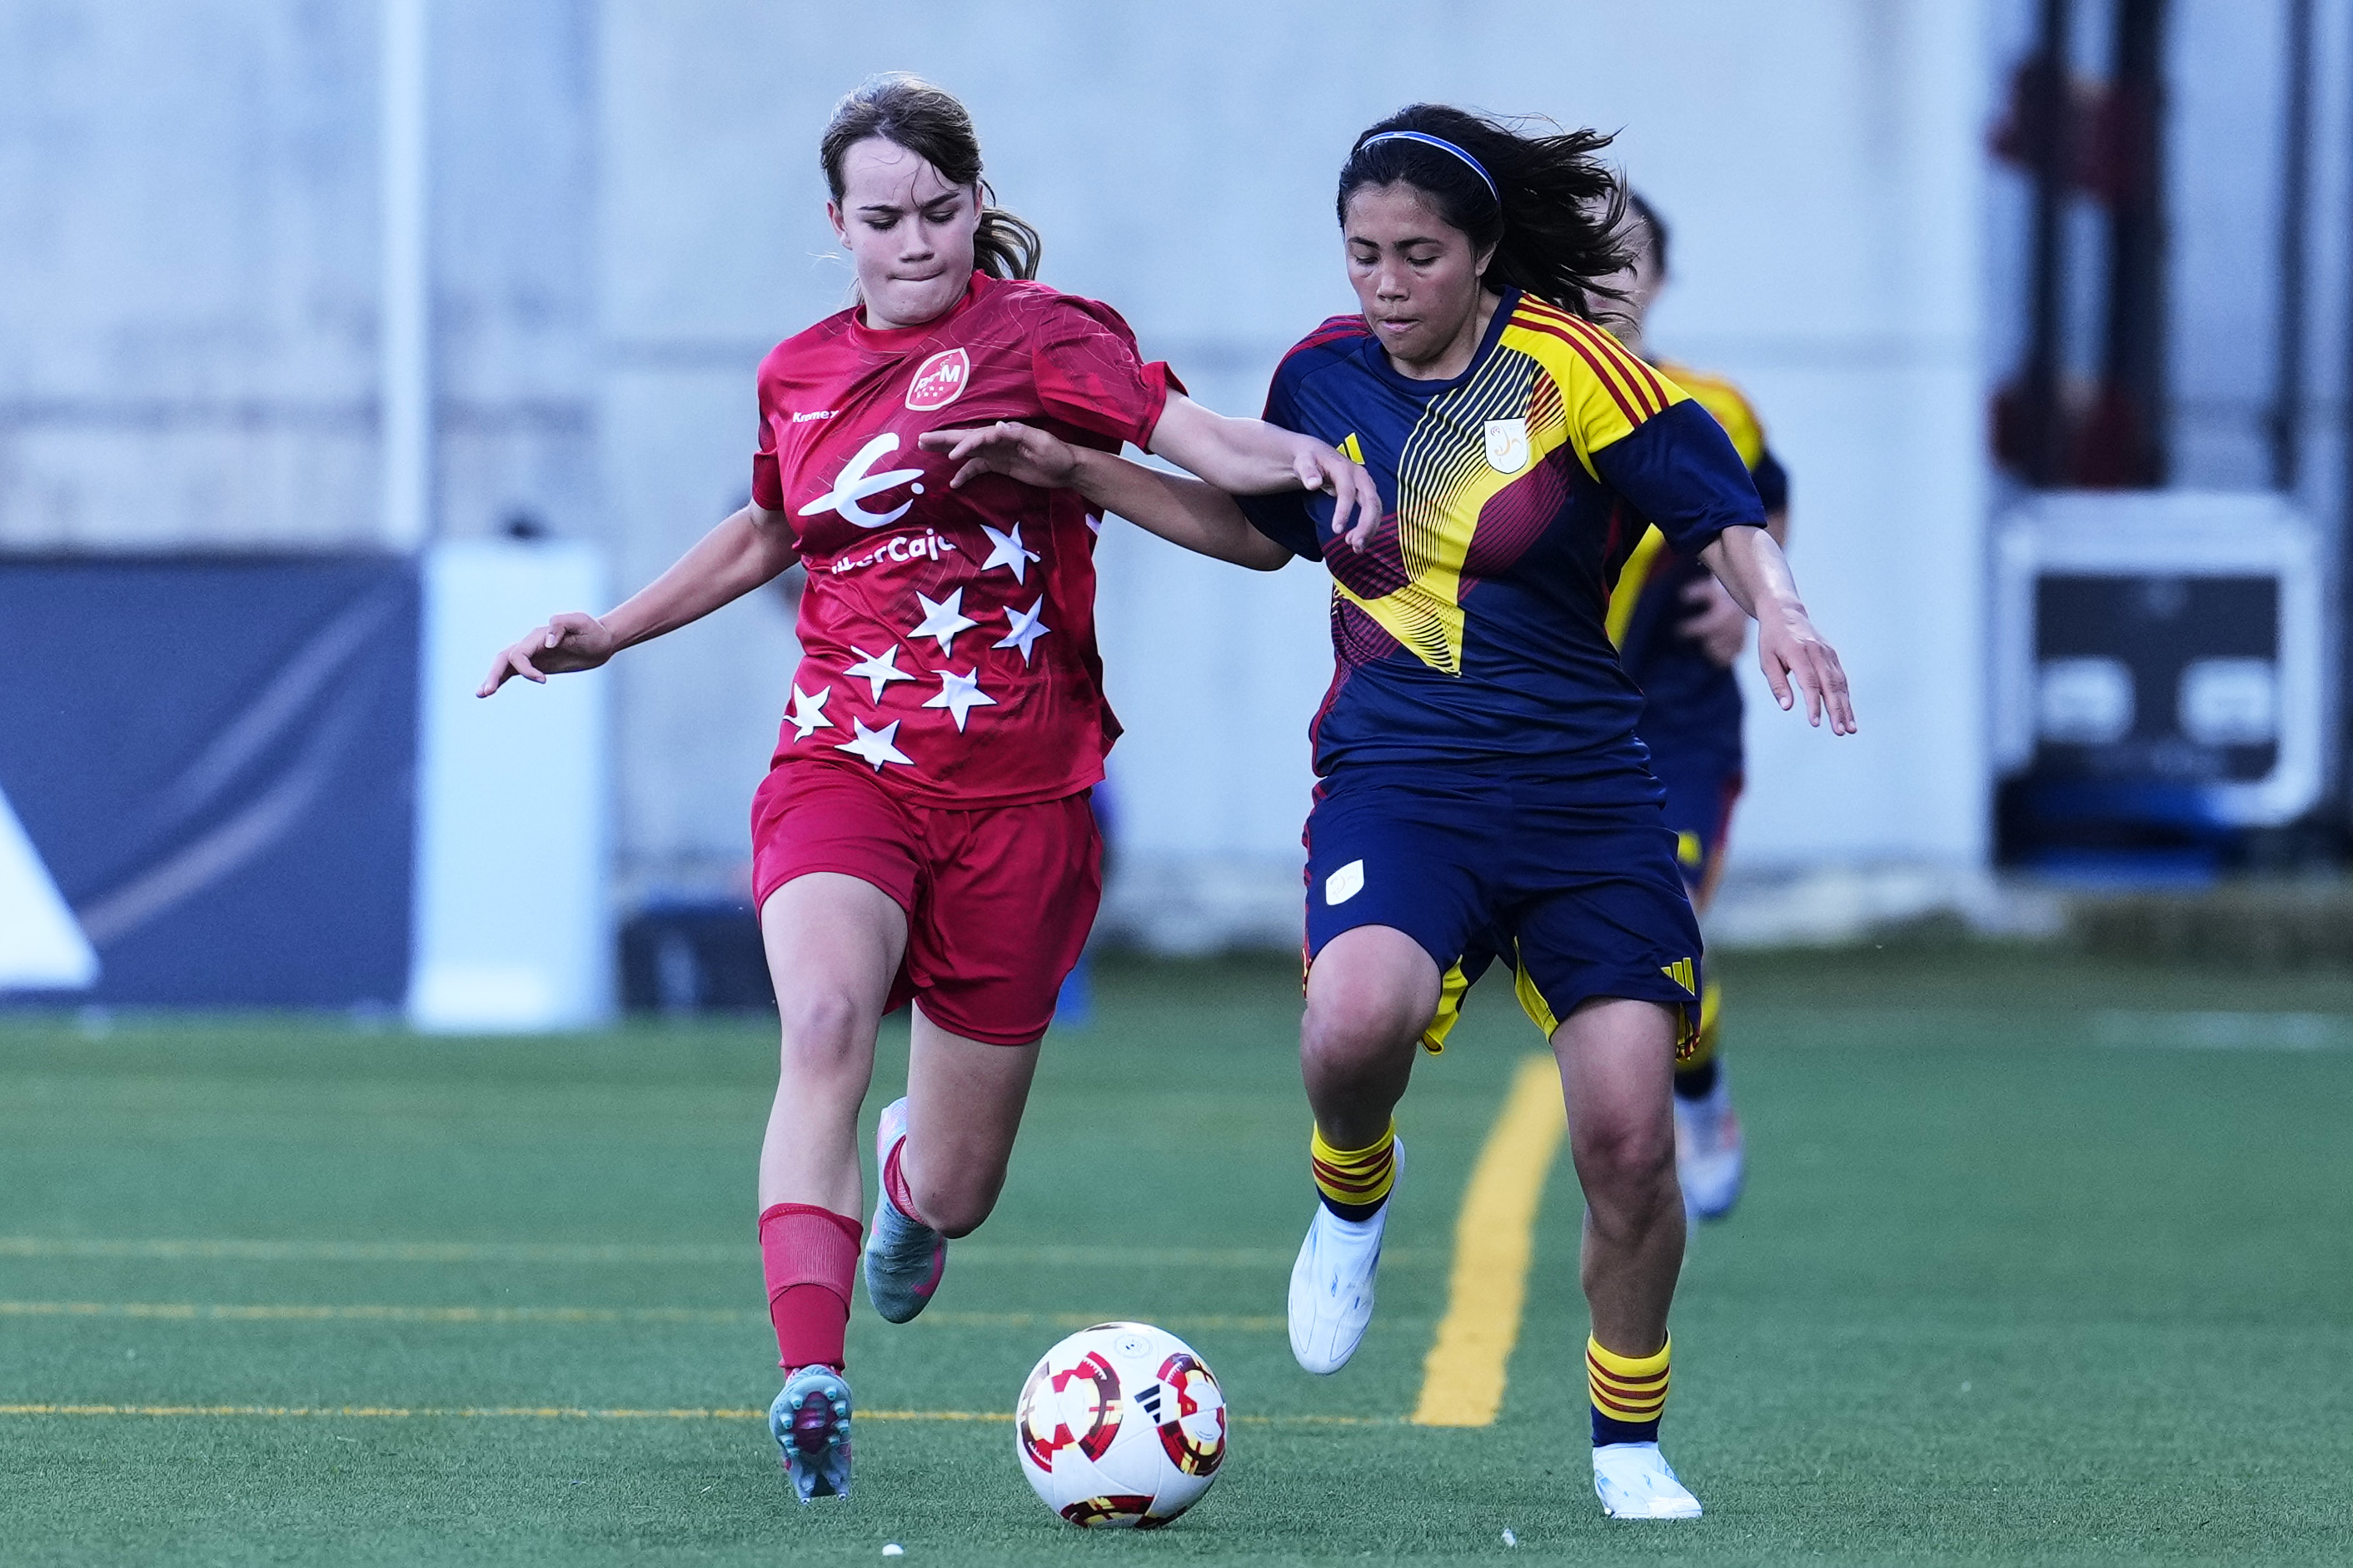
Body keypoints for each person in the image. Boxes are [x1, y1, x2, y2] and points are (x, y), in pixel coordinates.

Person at [932, 104, 1853, 1521]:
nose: (1384, 280)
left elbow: (1718, 508)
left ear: (1481, 253)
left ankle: (1626, 1439)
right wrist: (1079, 470)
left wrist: (1779, 610)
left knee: (1627, 1138)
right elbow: (1259, 533)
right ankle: (1353, 1188)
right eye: (1362, 252)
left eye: (1416, 253)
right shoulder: (1321, 373)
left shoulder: (1569, 365)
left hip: (1586, 795)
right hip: (1403, 778)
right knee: (1352, 1023)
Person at [476, 72, 1375, 1505]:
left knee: (959, 1187)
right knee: (825, 1021)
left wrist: (1304, 459)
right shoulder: (797, 371)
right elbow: (767, 528)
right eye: (884, 218)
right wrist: (611, 632)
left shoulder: (1045, 336)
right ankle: (811, 1374)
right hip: (844, 764)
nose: (915, 242)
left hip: (1022, 798)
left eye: (940, 213)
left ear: (976, 204)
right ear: (836, 223)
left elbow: (1197, 441)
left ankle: (910, 1187)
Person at [1590, 192, 1793, 1222]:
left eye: (1622, 258)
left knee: (1657, 924)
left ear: (1659, 279)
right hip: (1548, 722)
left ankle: (1698, 1098)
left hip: (1673, 720)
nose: (1600, 277)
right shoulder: (1500, 405)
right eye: (1578, 255)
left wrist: (1748, 593)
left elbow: (1765, 500)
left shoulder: (1710, 407)